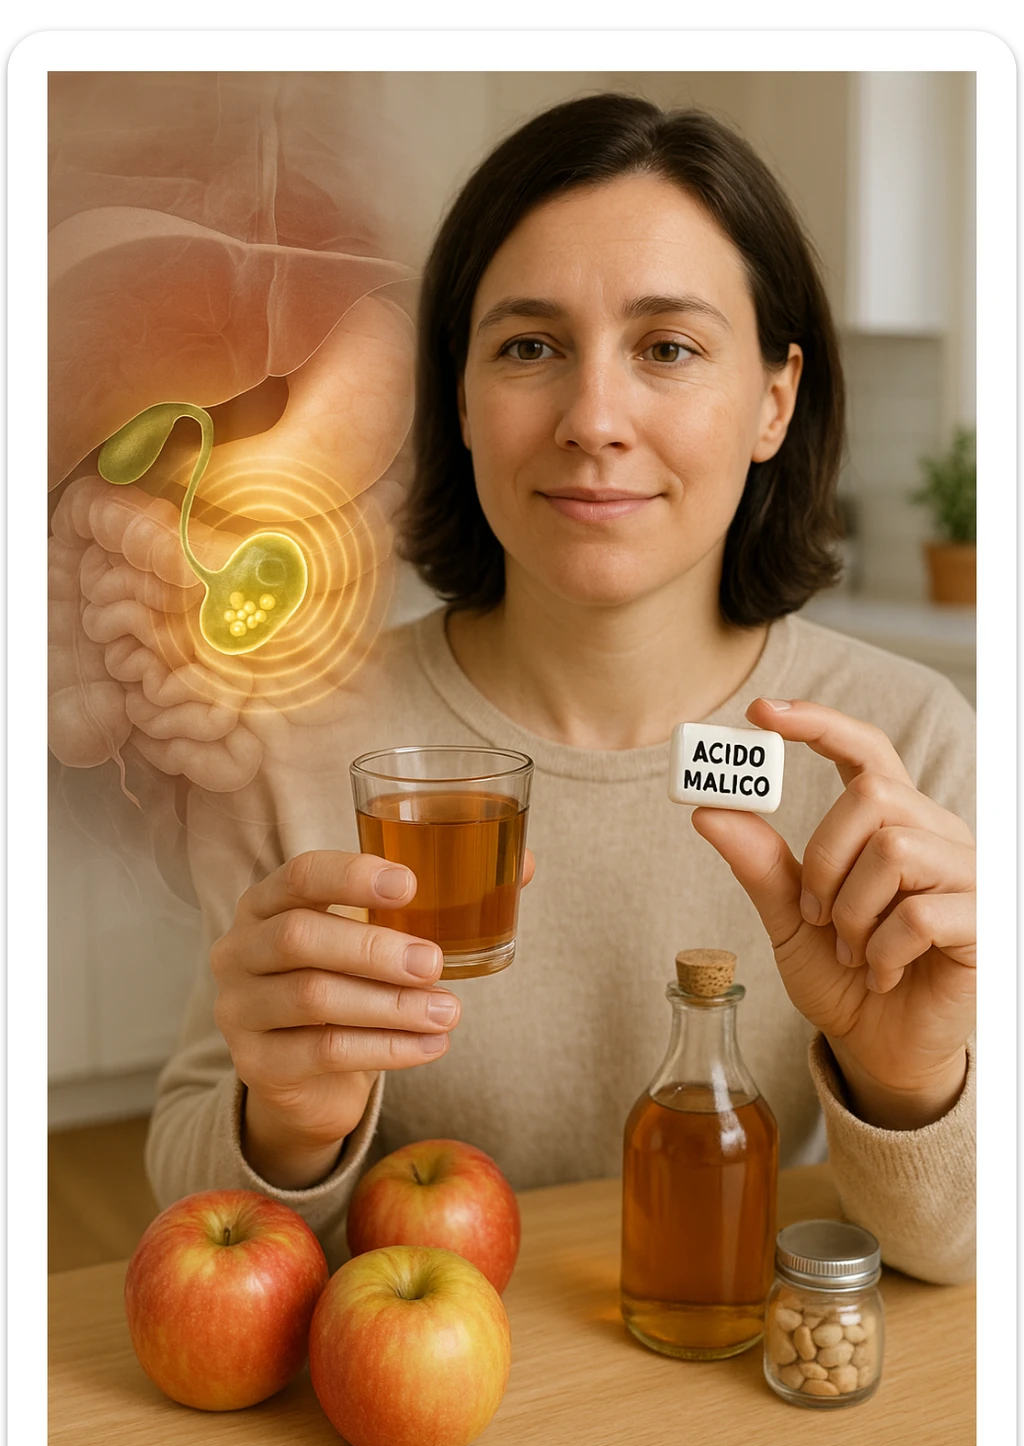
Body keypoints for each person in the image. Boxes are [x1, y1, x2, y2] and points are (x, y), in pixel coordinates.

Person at [146, 94, 976, 1285]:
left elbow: (954, 1255)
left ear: (773, 401)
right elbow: (192, 1195)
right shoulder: (294, 742)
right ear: (464, 397)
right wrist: (288, 1121)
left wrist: (905, 1084)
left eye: (668, 348)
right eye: (529, 347)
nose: (593, 421)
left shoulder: (901, 751)